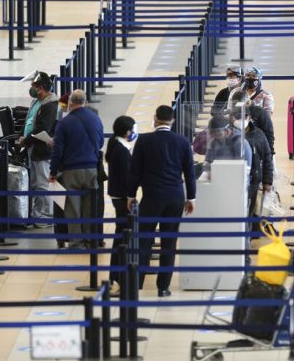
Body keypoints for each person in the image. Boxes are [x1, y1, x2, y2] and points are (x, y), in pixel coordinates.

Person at [128, 106, 195, 297]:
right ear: (172, 121)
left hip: (151, 196)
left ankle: (137, 283)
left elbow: (135, 172)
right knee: (169, 242)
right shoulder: (182, 141)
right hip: (175, 196)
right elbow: (189, 173)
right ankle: (163, 287)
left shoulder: (144, 140)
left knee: (144, 239)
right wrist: (191, 197)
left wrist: (131, 195)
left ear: (155, 118)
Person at [48, 90, 105, 250]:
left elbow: (57, 151)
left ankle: (76, 243)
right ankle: (89, 241)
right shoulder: (95, 119)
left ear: (71, 102)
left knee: (73, 209)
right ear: (85, 102)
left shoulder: (64, 123)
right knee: (89, 208)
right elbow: (100, 143)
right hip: (92, 169)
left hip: (71, 170)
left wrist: (53, 172)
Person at [18, 72, 58, 226]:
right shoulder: (37, 102)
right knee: (35, 183)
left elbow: (42, 128)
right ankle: (37, 214)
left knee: (43, 184)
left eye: (33, 86)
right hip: (32, 148)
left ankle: (46, 216)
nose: (31, 89)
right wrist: (21, 135)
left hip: (42, 150)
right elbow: (29, 120)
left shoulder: (50, 105)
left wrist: (26, 141)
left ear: (41, 88)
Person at [105, 115, 137, 294]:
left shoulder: (118, 146)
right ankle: (117, 277)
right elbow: (126, 178)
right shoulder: (121, 150)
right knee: (122, 237)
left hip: (118, 195)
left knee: (121, 236)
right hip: (122, 198)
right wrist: (131, 196)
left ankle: (116, 276)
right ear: (127, 132)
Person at [231, 107, 272, 219]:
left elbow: (267, 158)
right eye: (237, 117)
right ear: (232, 118)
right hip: (232, 182)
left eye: (244, 117)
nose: (241, 120)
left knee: (250, 213)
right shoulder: (229, 134)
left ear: (249, 118)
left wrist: (267, 182)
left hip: (253, 181)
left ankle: (249, 234)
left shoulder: (259, 134)